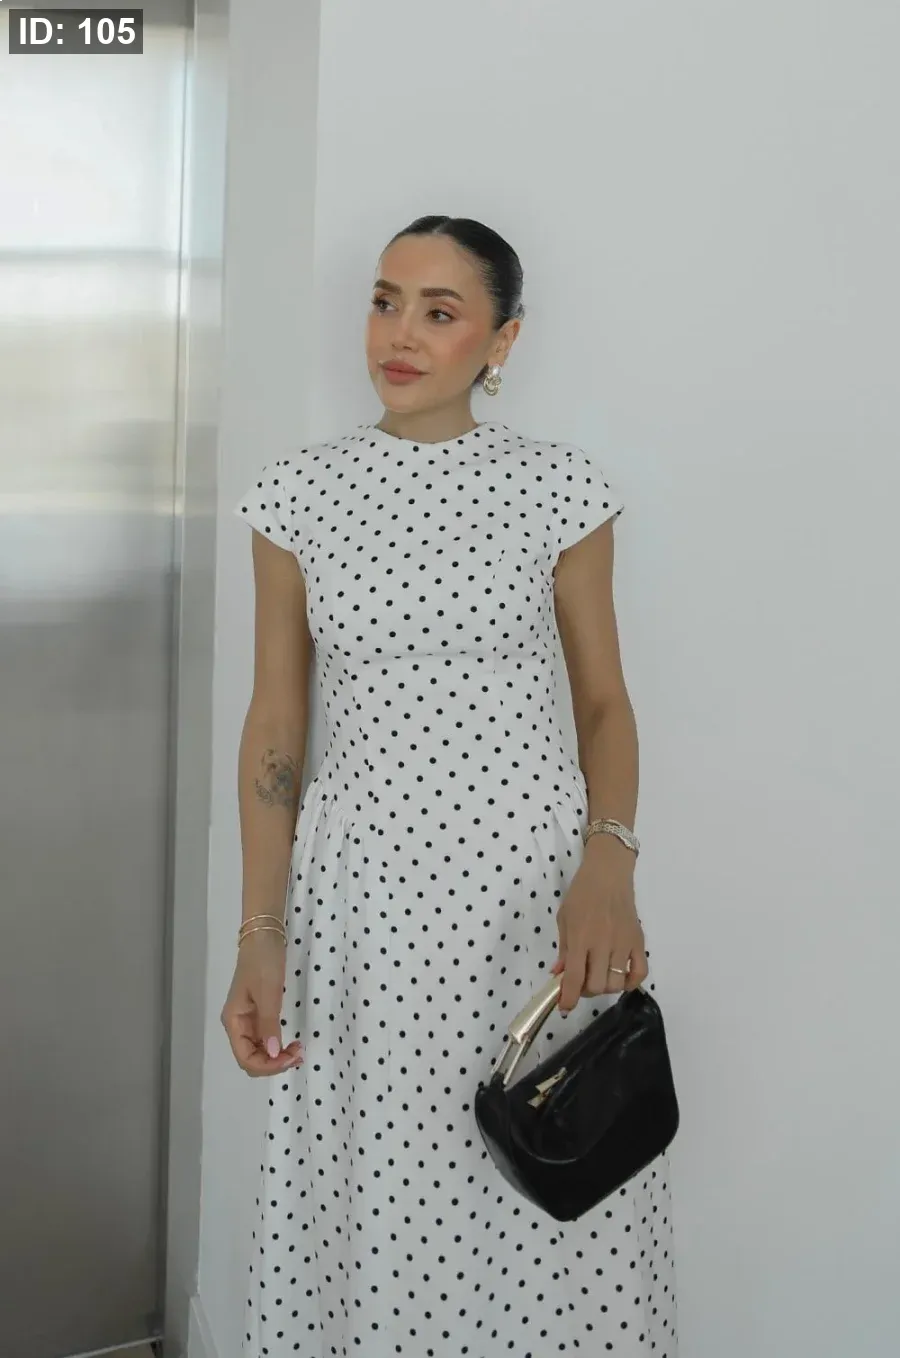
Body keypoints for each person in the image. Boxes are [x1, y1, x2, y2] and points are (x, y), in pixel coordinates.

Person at [223, 215, 678, 1357]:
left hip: (532, 898)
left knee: (548, 1168)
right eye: (385, 301)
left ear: (502, 339)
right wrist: (260, 931)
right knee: (384, 1186)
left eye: (440, 311)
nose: (401, 334)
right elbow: (277, 725)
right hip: (364, 902)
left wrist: (610, 864)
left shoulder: (559, 488)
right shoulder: (298, 495)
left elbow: (605, 703)